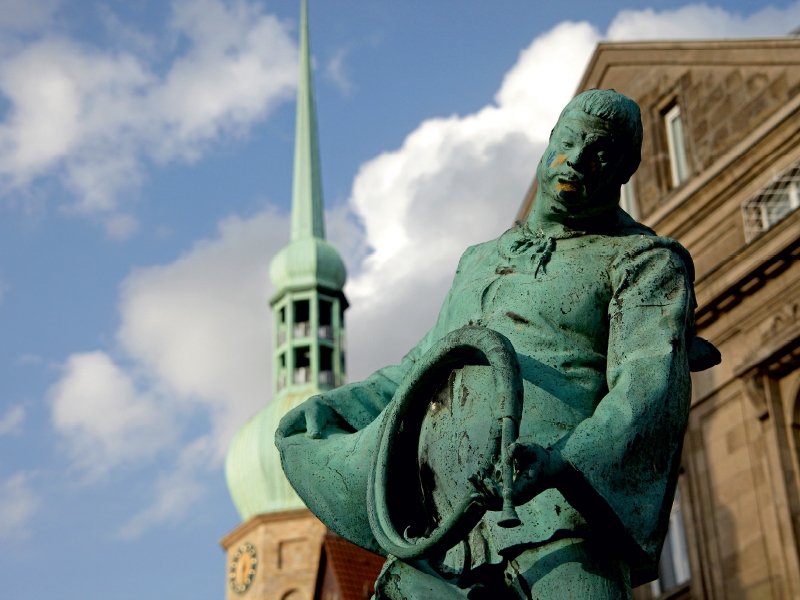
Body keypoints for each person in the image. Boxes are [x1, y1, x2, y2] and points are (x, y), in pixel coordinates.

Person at [277, 89, 708, 599]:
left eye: (602, 157)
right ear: (549, 143)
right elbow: (421, 368)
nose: (576, 163)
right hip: (445, 533)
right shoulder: (479, 259)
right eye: (568, 142)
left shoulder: (645, 261)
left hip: (560, 528)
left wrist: (561, 461)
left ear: (622, 174)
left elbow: (646, 388)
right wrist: (339, 405)